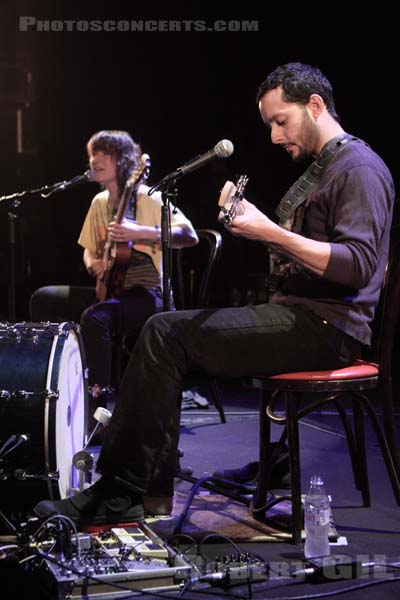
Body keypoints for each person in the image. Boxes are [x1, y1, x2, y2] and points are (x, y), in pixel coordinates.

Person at [34, 63, 395, 525]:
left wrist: (269, 231)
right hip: (301, 316)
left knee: (165, 332)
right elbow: (308, 256)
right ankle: (145, 488)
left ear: (316, 106)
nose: (274, 136)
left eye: (280, 121)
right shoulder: (330, 167)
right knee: (165, 333)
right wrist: (258, 228)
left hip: (327, 330)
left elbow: (358, 266)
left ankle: (126, 489)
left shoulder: (359, 168)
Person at [30, 130, 199, 415]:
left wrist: (140, 231)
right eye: (92, 154)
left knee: (96, 318)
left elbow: (189, 235)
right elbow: (88, 249)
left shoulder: (146, 197)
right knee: (42, 298)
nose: (94, 160)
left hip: (147, 294)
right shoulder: (99, 202)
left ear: (121, 160)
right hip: (109, 291)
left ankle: (97, 408)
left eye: (102, 154)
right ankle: (49, 388)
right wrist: (91, 263)